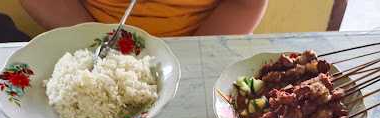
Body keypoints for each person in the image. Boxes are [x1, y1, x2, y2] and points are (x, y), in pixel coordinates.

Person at [20, 0, 268, 37]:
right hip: (87, 40)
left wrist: (193, 60)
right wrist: (94, 38)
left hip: (199, 42)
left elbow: (245, 3)